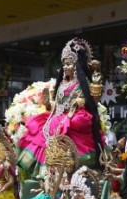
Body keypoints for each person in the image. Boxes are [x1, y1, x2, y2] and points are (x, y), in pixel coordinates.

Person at [17, 38, 104, 178]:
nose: (65, 67)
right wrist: (47, 103)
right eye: (64, 64)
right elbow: (57, 105)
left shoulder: (83, 82)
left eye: (69, 64)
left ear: (76, 65)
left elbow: (91, 100)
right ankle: (48, 177)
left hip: (74, 116)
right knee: (37, 131)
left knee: (76, 123)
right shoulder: (62, 83)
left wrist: (83, 99)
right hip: (56, 117)